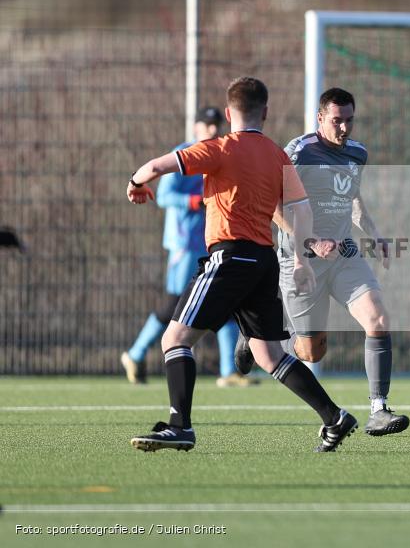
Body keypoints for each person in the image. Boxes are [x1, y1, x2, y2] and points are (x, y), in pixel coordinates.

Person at [126, 77, 357, 453]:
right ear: (265, 112)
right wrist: (301, 259)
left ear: (230, 112)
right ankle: (334, 417)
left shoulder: (217, 148)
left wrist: (135, 182)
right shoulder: (277, 155)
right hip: (264, 261)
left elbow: (156, 166)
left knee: (175, 339)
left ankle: (179, 426)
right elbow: (298, 210)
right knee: (269, 354)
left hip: (230, 257)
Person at [235, 87, 409, 436]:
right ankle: (255, 342)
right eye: (336, 121)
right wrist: (309, 241)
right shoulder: (298, 153)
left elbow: (352, 197)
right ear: (320, 119)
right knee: (311, 354)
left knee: (378, 318)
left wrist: (374, 234)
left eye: (349, 120)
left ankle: (379, 409)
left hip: (345, 256)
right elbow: (272, 205)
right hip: (302, 260)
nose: (344, 128)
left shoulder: (357, 153)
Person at [120, 107, 253, 388]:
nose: (213, 130)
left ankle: (229, 371)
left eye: (217, 124)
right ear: (196, 128)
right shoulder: (184, 153)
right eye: (207, 125)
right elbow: (165, 195)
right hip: (184, 244)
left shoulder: (222, 154)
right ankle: (136, 353)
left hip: (212, 241)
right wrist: (194, 202)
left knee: (224, 300)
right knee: (173, 303)